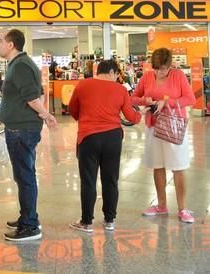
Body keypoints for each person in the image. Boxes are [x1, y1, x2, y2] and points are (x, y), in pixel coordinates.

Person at [67, 59, 142, 233]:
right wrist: (140, 116)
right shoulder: (121, 90)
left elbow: (72, 109)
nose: (117, 78)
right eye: (117, 75)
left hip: (88, 137)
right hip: (113, 138)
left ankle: (86, 222)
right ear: (111, 72)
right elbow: (131, 116)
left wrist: (85, 119)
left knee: (88, 180)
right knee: (110, 179)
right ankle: (109, 220)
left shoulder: (83, 86)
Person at [0, 29, 57, 242]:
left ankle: (31, 226)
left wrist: (47, 115)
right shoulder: (19, 64)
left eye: (1, 41)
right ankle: (27, 216)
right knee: (24, 175)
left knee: (25, 177)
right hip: (19, 128)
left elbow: (32, 98)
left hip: (22, 130)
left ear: (11, 44)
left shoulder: (21, 65)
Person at [131, 48, 196, 223]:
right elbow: (133, 98)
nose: (160, 72)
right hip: (153, 126)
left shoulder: (178, 76)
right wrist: (146, 101)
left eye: (163, 69)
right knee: (157, 165)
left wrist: (168, 102)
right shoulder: (146, 77)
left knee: (178, 166)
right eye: (157, 68)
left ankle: (183, 208)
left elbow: (190, 99)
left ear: (169, 66)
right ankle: (161, 205)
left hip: (173, 127)